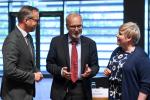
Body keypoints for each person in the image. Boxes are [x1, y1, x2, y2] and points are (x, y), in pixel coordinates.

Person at [46, 13, 99, 100]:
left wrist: (91, 71)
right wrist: (61, 72)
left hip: (83, 89)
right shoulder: (56, 42)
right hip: (61, 89)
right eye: (73, 26)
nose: (77, 29)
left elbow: (95, 66)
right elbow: (49, 65)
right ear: (67, 26)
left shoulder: (90, 43)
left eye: (79, 26)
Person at [1, 6, 43, 100]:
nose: (38, 23)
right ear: (26, 20)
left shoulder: (29, 37)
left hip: (27, 92)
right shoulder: (12, 40)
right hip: (14, 95)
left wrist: (36, 70)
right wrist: (32, 76)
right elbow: (10, 70)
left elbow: (28, 61)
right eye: (36, 20)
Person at [104, 22, 150, 100]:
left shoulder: (141, 56)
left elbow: (146, 84)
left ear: (129, 38)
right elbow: (110, 69)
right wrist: (107, 71)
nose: (117, 35)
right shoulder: (116, 51)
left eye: (120, 34)